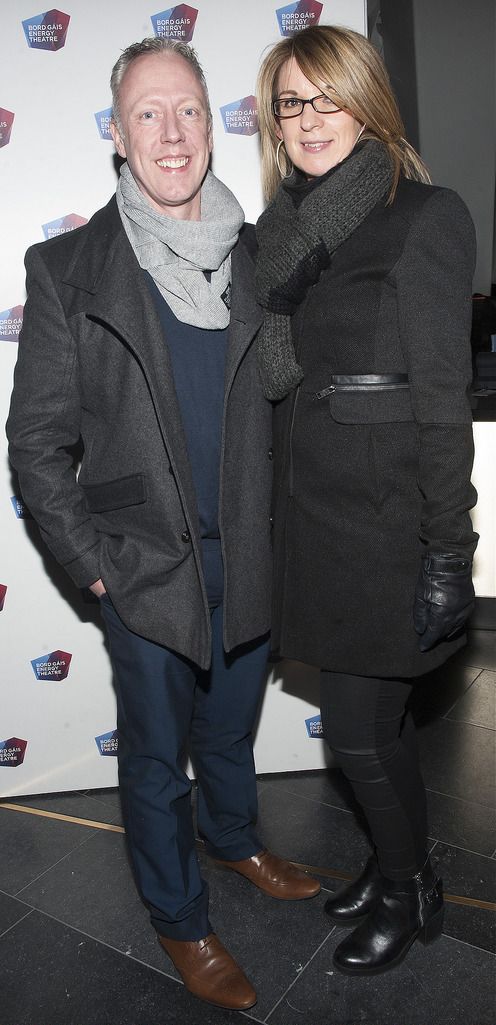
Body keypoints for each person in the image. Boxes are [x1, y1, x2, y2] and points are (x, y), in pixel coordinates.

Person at [6, 37, 320, 1011]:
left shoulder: (264, 254)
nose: (172, 132)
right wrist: (95, 571)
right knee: (154, 759)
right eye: (148, 112)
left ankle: (232, 838)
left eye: (188, 109)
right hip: (142, 573)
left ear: (212, 124)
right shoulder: (68, 267)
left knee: (228, 733)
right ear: (118, 134)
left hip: (254, 554)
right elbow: (35, 443)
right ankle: (181, 919)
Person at [255, 25, 477, 976]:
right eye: (290, 103)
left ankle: (407, 885)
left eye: (326, 97)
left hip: (389, 527)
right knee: (376, 729)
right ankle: (396, 869)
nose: (308, 120)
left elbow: (439, 399)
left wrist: (446, 549)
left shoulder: (425, 215)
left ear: (367, 101)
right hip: (315, 521)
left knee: (353, 730)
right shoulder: (279, 234)